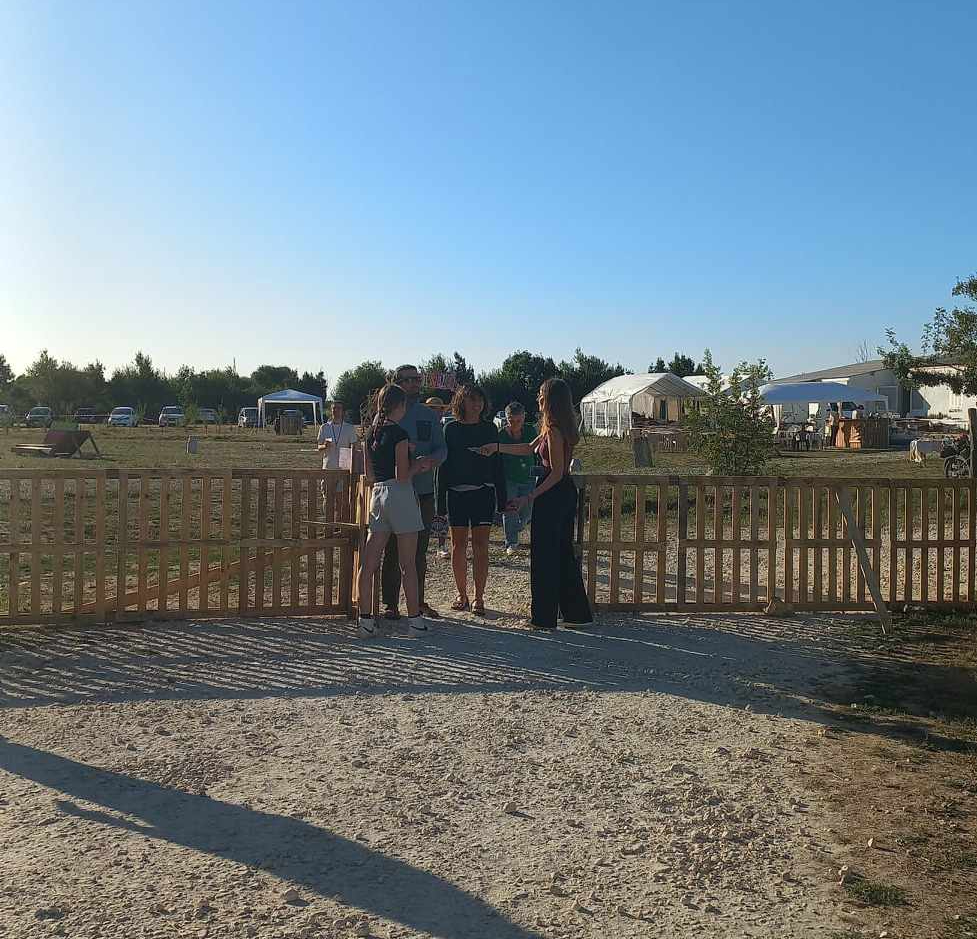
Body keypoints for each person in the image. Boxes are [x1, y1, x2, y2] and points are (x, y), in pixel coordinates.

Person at [473, 378, 592, 631]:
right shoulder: (552, 428)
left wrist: (529, 496)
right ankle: (575, 614)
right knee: (562, 553)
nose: (538, 398)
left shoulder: (555, 431)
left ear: (550, 400)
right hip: (562, 493)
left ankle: (544, 618)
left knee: (545, 555)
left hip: (554, 493)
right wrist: (497, 447)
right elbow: (528, 449)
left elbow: (557, 473)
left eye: (541, 394)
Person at [356, 383, 434, 638]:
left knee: (369, 562)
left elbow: (369, 475)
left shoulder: (370, 434)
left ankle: (365, 620)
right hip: (399, 495)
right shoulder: (400, 434)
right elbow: (402, 475)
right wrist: (418, 464)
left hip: (378, 495)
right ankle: (415, 622)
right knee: (407, 564)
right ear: (400, 406)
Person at [381, 365, 447, 620]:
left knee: (419, 551)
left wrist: (432, 460)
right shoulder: (383, 418)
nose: (415, 384)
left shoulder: (428, 415)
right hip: (394, 492)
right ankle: (390, 604)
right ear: (397, 383)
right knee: (392, 549)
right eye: (408, 380)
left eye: (417, 379)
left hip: (423, 492)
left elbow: (442, 448)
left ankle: (417, 602)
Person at [436, 385, 506, 616]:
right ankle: (461, 594)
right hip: (456, 494)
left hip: (483, 493)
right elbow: (443, 467)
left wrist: (503, 499)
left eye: (480, 400)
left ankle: (479, 596)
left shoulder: (490, 428)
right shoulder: (450, 429)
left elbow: (498, 464)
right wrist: (440, 504)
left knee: (481, 546)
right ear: (461, 402)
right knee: (458, 545)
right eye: (472, 399)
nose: (477, 404)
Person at [499, 401, 536, 557]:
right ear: (506, 419)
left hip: (528, 476)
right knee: (510, 509)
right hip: (509, 477)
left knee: (528, 509)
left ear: (524, 417)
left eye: (518, 420)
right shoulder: (501, 435)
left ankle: (519, 526)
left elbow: (533, 450)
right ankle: (511, 542)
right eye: (511, 420)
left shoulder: (530, 430)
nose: (514, 424)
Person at [316, 401, 358, 518]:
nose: (336, 410)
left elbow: (354, 447)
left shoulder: (349, 428)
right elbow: (319, 448)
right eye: (334, 408)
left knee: (341, 500)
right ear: (331, 410)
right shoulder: (324, 427)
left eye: (339, 408)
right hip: (328, 468)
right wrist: (324, 446)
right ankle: (328, 523)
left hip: (344, 469)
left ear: (343, 411)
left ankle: (340, 524)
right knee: (328, 498)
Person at [425, 397, 452, 560]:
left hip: (440, 472)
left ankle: (441, 545)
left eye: (439, 409)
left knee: (441, 508)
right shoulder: (423, 425)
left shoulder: (445, 427)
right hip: (423, 472)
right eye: (433, 408)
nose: (437, 412)